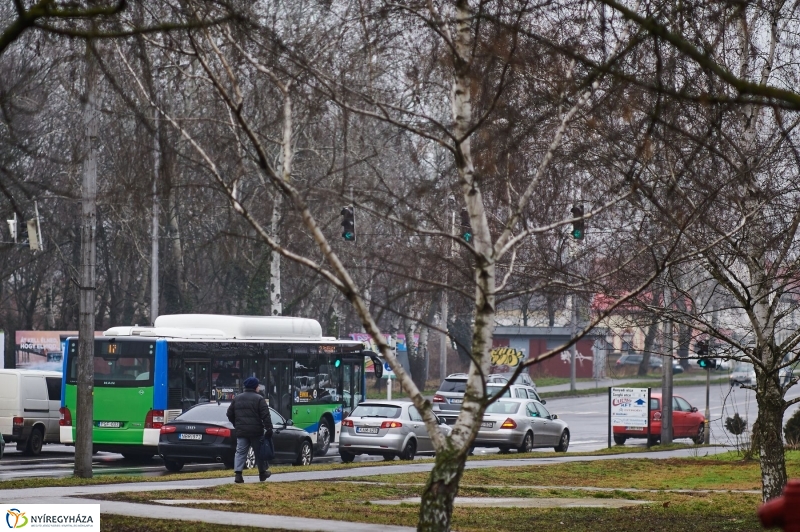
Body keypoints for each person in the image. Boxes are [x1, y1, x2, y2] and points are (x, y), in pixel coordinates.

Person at [226, 376, 273, 483]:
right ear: (255, 387)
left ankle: (238, 475)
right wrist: (269, 428)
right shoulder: (259, 399)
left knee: (240, 452)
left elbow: (229, 413)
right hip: (256, 431)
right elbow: (266, 415)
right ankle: (262, 473)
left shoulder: (237, 398)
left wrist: (236, 424)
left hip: (241, 431)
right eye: (258, 386)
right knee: (259, 452)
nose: (259, 388)